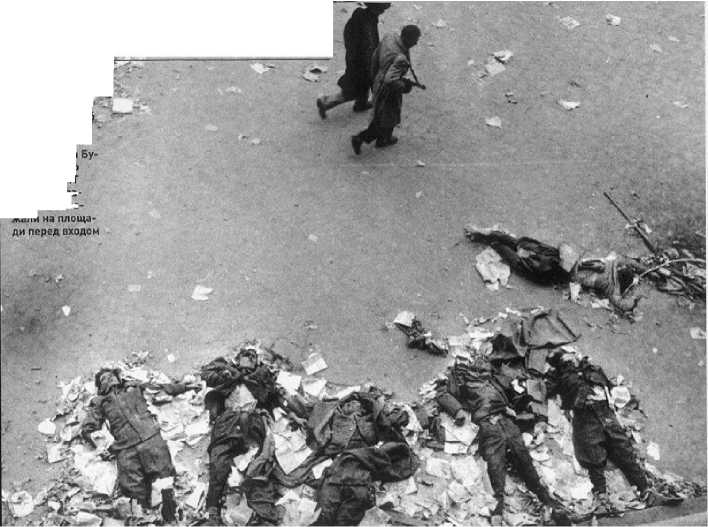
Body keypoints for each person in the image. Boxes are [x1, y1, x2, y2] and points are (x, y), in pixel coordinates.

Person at [545, 349, 681, 513]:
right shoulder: (561, 377)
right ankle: (602, 500)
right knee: (593, 458)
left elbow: (608, 387)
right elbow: (549, 390)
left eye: (571, 355)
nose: (570, 359)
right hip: (585, 418)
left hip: (606, 414)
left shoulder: (591, 370)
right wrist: (556, 371)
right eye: (565, 358)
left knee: (625, 451)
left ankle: (647, 493)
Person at [436, 357, 567, 525]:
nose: (483, 369)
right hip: (488, 425)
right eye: (479, 367)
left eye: (485, 367)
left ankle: (549, 503)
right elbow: (442, 393)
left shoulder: (495, 382)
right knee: (495, 466)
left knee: (525, 461)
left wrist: (531, 410)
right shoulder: (464, 383)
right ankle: (497, 511)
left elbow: (519, 394)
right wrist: (458, 410)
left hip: (507, 421)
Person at [200, 346, 309, 524]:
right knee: (218, 462)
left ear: (256, 362)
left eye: (251, 358)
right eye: (244, 357)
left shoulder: (261, 379)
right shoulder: (228, 376)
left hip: (253, 422)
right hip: (229, 422)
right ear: (237, 360)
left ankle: (261, 512)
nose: (247, 362)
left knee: (261, 465)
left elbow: (277, 399)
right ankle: (213, 509)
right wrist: (231, 372)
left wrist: (294, 416)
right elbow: (206, 374)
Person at [81, 368, 181, 523]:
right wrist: (103, 444)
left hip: (151, 439)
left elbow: (161, 389)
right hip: (125, 449)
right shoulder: (99, 402)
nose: (109, 379)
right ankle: (144, 520)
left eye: (111, 376)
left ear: (118, 378)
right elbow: (88, 428)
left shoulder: (135, 387)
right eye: (104, 379)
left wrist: (185, 386)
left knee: (164, 480)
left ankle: (171, 518)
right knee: (133, 491)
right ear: (100, 387)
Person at [351, 25, 421, 154]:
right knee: (388, 116)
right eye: (414, 40)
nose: (416, 43)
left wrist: (374, 76)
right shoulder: (400, 58)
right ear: (407, 38)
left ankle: (382, 138)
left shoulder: (390, 38)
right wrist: (404, 86)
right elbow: (391, 80)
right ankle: (363, 138)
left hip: (379, 80)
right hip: (388, 90)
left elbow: (375, 56)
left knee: (383, 115)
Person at [317, 3, 391, 118]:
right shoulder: (367, 23)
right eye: (382, 9)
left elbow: (350, 36)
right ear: (376, 8)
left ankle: (361, 104)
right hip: (360, 61)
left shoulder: (361, 17)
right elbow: (369, 45)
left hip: (355, 58)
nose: (383, 11)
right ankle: (326, 102)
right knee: (353, 90)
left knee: (364, 84)